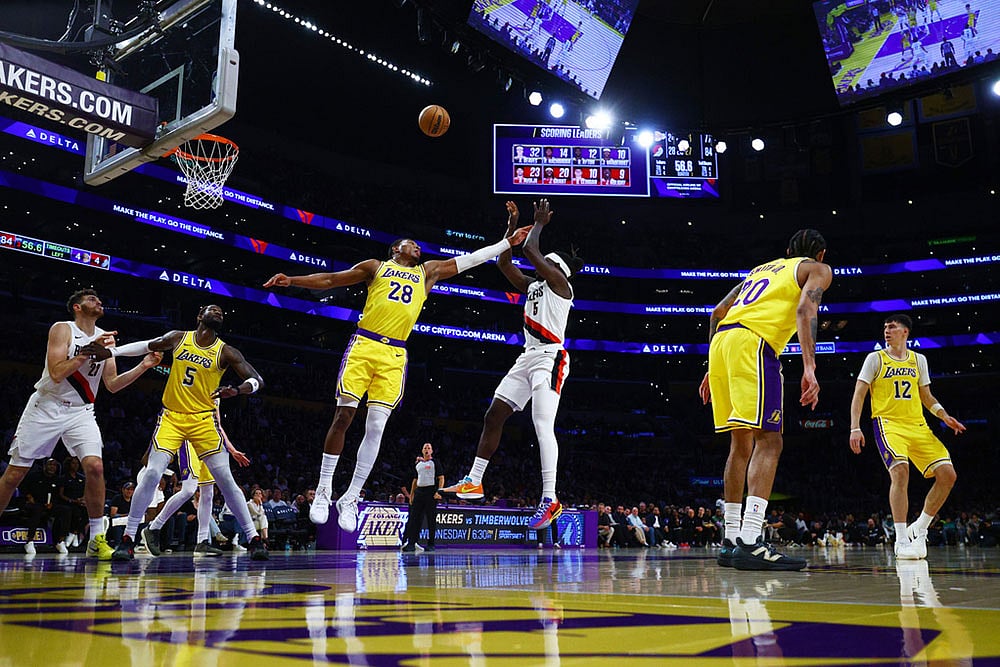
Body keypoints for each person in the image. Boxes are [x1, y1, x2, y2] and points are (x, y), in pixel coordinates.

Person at [263, 228, 531, 532]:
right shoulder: (375, 267)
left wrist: (507, 242)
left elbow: (469, 260)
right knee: (343, 416)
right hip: (364, 345)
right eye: (411, 243)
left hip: (395, 355)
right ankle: (324, 489)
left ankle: (350, 497)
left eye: (418, 244)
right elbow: (330, 279)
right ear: (395, 249)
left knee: (376, 427)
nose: (417, 246)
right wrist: (292, 280)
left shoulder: (427, 272)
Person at [82, 304, 269, 561]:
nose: (218, 312)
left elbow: (256, 380)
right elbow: (147, 345)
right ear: (199, 315)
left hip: (203, 420)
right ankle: (128, 537)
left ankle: (255, 539)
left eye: (222, 312)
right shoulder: (179, 337)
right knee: (151, 475)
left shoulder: (226, 351)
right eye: (212, 309)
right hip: (171, 417)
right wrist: (111, 352)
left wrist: (237, 390)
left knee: (224, 480)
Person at [443, 200, 582, 532]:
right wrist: (511, 226)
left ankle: (550, 498)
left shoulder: (562, 286)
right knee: (494, 414)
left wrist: (538, 225)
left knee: (542, 425)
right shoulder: (533, 286)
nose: (539, 264)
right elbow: (504, 261)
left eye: (546, 263)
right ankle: (474, 481)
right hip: (527, 356)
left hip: (551, 356)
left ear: (556, 269)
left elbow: (532, 249)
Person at [699, 230, 833, 571]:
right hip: (754, 346)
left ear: (787, 251)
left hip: (723, 345)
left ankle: (730, 540)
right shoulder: (817, 270)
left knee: (740, 444)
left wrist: (711, 368)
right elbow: (805, 310)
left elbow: (717, 312)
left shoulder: (760, 270)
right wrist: (809, 366)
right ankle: (751, 540)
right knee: (770, 441)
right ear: (820, 254)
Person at [0, 289, 161, 559]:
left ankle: (96, 538)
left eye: (99, 298)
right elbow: (56, 372)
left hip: (82, 411)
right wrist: (87, 352)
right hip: (46, 406)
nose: (98, 301)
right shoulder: (63, 329)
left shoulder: (106, 338)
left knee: (95, 467)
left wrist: (143, 366)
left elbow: (112, 385)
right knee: (14, 475)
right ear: (76, 307)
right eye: (91, 299)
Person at [848, 314, 965, 560]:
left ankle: (920, 528)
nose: (886, 331)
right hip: (888, 423)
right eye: (884, 328)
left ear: (905, 332)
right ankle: (901, 540)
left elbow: (927, 396)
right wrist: (854, 427)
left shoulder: (918, 359)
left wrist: (944, 416)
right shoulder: (875, 359)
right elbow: (859, 394)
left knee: (948, 475)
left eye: (892, 327)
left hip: (918, 425)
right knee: (900, 470)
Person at [141, 425, 249, 557]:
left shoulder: (215, 404)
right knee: (188, 490)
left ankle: (202, 542)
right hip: (190, 438)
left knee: (208, 493)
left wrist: (232, 450)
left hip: (208, 441)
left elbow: (219, 424)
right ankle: (153, 527)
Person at [401, 442, 443, 552]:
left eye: (429, 447)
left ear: (432, 451)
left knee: (431, 519)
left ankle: (431, 544)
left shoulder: (435, 462)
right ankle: (411, 543)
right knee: (414, 518)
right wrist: (411, 495)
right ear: (422, 450)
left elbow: (441, 478)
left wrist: (439, 491)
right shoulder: (418, 464)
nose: (427, 449)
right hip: (419, 492)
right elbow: (414, 481)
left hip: (431, 492)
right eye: (425, 448)